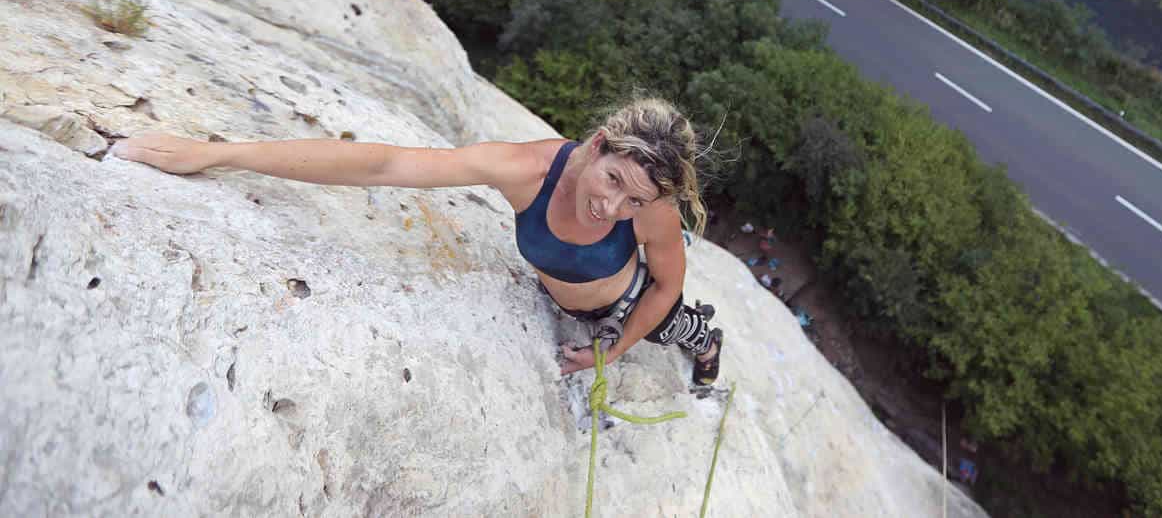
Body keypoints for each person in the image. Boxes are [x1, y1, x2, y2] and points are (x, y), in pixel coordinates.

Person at [109, 96, 724, 385]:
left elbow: (665, 285)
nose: (611, 209)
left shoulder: (651, 209)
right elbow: (384, 165)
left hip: (626, 301)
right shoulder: (524, 170)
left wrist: (613, 350)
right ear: (598, 145)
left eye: (632, 201)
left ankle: (708, 343)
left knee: (677, 328)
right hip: (569, 296)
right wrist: (220, 154)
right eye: (612, 180)